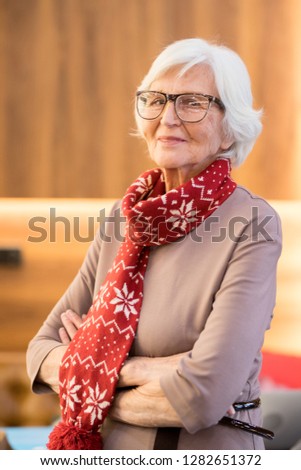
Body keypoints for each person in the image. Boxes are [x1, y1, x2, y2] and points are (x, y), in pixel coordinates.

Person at [26, 37, 282, 450]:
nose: (168, 118)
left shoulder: (252, 223)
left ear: (230, 127)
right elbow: (39, 355)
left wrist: (97, 365)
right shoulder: (121, 217)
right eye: (155, 99)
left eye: (193, 102)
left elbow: (204, 394)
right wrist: (154, 370)